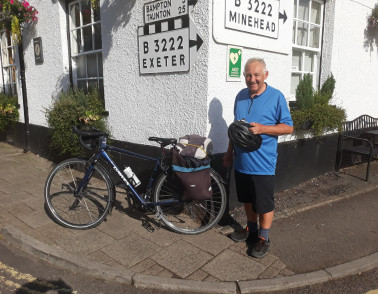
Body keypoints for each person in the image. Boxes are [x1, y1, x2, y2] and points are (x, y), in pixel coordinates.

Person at [223, 57, 293, 258]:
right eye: (248, 75)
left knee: (264, 204)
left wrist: (263, 129)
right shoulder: (240, 96)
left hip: (263, 164)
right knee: (247, 200)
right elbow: (236, 130)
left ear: (265, 75)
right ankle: (251, 230)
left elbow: (288, 127)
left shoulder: (276, 97)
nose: (252, 79)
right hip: (242, 162)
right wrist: (229, 153)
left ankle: (263, 237)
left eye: (256, 75)